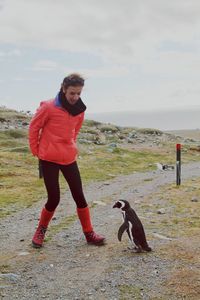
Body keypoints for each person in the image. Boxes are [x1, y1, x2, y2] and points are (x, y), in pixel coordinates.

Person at [29, 73, 105, 248]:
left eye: (79, 93)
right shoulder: (48, 107)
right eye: (72, 93)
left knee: (79, 196)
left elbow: (75, 131)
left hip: (69, 157)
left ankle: (89, 233)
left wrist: (72, 145)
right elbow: (34, 127)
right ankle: (40, 231)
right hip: (48, 158)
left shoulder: (80, 109)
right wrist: (37, 151)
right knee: (53, 198)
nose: (75, 97)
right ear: (63, 89)